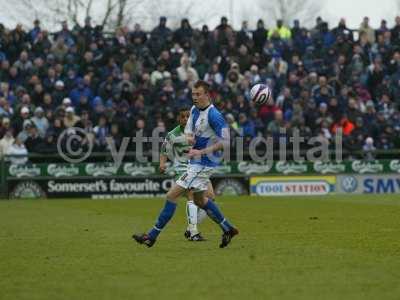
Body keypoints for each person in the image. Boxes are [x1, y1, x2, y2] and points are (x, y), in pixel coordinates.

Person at [133, 80, 238, 248]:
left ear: (207, 95)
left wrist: (200, 151)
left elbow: (226, 142)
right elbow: (190, 137)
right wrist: (177, 141)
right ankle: (228, 228)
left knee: (171, 195)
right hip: (194, 162)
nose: (194, 97)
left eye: (198, 94)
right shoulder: (194, 111)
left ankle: (151, 236)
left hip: (204, 163)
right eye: (193, 94)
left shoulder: (214, 115)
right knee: (200, 201)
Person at [159, 106, 215, 241]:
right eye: (182, 116)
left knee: (210, 197)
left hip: (198, 168)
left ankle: (190, 228)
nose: (185, 119)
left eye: (187, 116)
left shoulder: (197, 132)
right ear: (178, 118)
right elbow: (164, 150)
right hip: (183, 170)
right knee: (191, 195)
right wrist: (162, 163)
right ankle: (194, 232)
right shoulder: (173, 134)